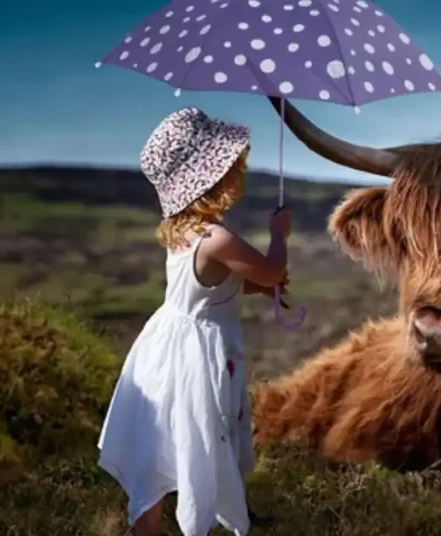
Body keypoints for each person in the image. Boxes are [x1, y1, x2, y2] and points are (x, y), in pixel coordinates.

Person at [97, 107, 291, 536]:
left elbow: (205, 288)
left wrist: (254, 286)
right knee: (202, 436)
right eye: (233, 167)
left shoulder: (180, 233)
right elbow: (270, 270)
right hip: (201, 357)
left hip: (164, 346)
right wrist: (280, 235)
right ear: (214, 179)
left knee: (160, 437)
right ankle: (204, 515)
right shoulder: (217, 237)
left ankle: (146, 526)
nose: (240, 172)